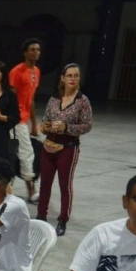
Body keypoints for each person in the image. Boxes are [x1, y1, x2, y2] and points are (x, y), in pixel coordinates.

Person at [36, 63, 93, 236]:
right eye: (69, 75)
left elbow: (87, 125)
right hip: (49, 145)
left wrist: (66, 128)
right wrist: (45, 127)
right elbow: (45, 119)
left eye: (76, 76)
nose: (73, 79)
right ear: (62, 78)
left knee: (64, 184)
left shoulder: (82, 101)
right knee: (45, 182)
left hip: (68, 147)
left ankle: (63, 219)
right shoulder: (54, 99)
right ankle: (41, 215)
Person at [9, 38, 42, 203]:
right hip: (15, 119)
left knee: (18, 153)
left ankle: (9, 189)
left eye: (38, 50)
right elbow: (11, 97)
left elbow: (31, 100)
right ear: (25, 53)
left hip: (24, 118)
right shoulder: (17, 71)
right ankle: (31, 191)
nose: (36, 52)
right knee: (26, 153)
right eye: (32, 49)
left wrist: (34, 123)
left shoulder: (36, 72)